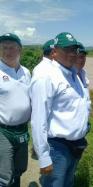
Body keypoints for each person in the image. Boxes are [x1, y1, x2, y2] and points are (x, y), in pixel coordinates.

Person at [30, 32, 90, 187]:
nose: (72, 54)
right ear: (55, 52)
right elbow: (38, 120)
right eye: (66, 50)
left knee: (68, 183)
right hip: (57, 148)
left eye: (74, 50)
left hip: (75, 145)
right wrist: (43, 157)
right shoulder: (46, 76)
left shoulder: (73, 74)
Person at [0, 33, 31, 187]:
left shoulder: (26, 72)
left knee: (20, 168)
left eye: (11, 47)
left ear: (20, 49)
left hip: (23, 130)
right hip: (3, 131)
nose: (7, 51)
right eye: (4, 47)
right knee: (4, 175)